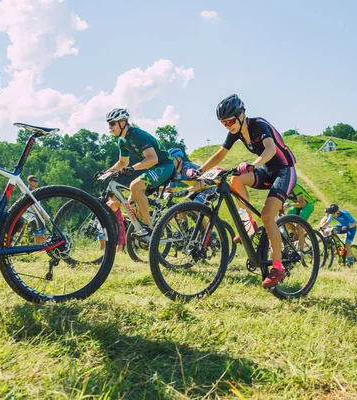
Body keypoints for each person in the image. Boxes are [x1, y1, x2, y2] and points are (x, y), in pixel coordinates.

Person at [190, 94, 297, 288]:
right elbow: (219, 155)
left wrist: (253, 165)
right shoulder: (236, 132)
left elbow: (270, 150)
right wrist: (200, 171)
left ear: (241, 115)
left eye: (230, 121)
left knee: (268, 216)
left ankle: (278, 268)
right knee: (235, 179)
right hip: (266, 170)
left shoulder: (259, 125)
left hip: (284, 170)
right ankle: (249, 223)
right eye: (223, 123)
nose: (227, 125)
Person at [105, 108, 174, 236]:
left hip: (165, 165)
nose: (110, 127)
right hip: (154, 167)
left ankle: (149, 228)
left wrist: (133, 168)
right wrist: (106, 173)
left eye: (112, 123)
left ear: (123, 122)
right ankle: (146, 231)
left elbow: (153, 159)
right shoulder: (122, 140)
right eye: (108, 124)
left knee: (135, 186)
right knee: (130, 205)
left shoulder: (137, 135)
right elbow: (122, 163)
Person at [26, 175, 46, 245]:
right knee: (37, 233)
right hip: (32, 213)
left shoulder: (35, 191)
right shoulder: (28, 191)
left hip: (38, 213)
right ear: (29, 182)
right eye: (34, 181)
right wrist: (38, 212)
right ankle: (38, 247)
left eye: (37, 181)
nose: (36, 183)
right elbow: (30, 205)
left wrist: (42, 213)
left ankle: (44, 247)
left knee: (43, 232)